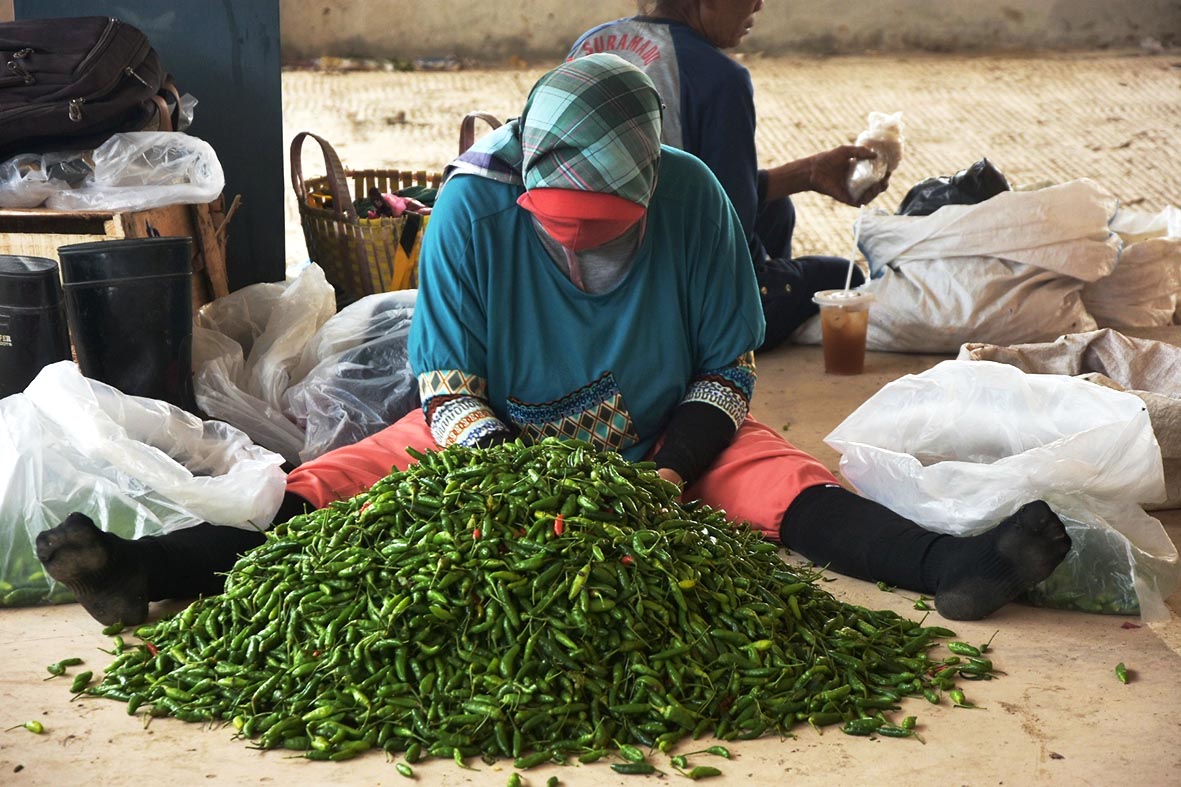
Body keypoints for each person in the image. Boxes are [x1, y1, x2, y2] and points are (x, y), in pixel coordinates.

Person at [35, 54, 1069, 630]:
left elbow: (726, 372)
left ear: (649, 185)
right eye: (560, 223)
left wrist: (662, 475)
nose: (582, 248)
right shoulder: (474, 213)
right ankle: (149, 570)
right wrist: (517, 484)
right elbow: (441, 386)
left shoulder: (698, 202)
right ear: (523, 187)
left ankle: (953, 563)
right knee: (323, 496)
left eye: (605, 225)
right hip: (487, 439)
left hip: (665, 442)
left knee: (790, 489)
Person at [568, 1, 888, 351]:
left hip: (583, 278)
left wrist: (809, 173)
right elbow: (731, 220)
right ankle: (740, 334)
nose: (759, 4)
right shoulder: (720, 77)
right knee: (845, 278)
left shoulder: (591, 42)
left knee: (778, 210)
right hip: (665, 300)